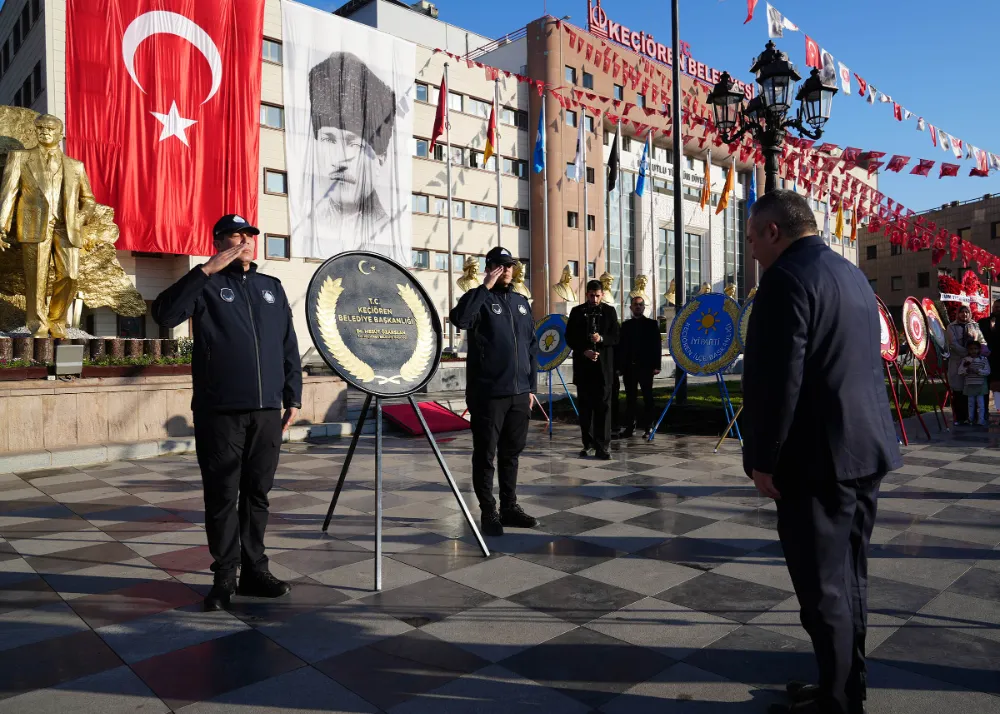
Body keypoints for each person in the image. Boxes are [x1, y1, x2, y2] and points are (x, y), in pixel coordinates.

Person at [742, 190, 901, 714]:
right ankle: (844, 684)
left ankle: (838, 702)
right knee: (850, 579)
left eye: (751, 238)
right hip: (864, 449)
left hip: (817, 460)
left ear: (773, 231)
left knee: (823, 589)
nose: (750, 251)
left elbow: (776, 381)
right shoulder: (850, 273)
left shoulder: (784, 280)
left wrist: (762, 458)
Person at [152, 214, 303, 612]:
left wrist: (294, 396)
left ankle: (256, 570)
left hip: (268, 409)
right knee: (221, 495)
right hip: (220, 410)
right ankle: (224, 577)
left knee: (258, 494)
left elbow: (288, 345)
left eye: (250, 233)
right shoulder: (207, 284)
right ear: (218, 241)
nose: (245, 240)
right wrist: (204, 271)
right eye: (236, 234)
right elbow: (165, 316)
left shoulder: (272, 287)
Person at [449, 245, 539, 537]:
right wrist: (484, 287)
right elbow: (460, 319)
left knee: (511, 454)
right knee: (485, 455)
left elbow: (531, 347)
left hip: (518, 394)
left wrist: (531, 387)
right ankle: (489, 512)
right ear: (490, 267)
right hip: (488, 394)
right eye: (501, 265)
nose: (507, 270)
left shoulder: (521, 302)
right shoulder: (480, 301)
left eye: (510, 265)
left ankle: (510, 507)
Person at [0, 114, 96, 338]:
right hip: (34, 225)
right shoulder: (20, 158)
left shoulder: (75, 166)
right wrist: (1, 227)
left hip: (67, 228)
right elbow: (8, 195)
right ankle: (37, 325)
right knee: (36, 278)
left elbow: (89, 199)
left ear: (60, 133)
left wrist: (81, 217)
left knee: (71, 275)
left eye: (50, 128)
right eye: (40, 127)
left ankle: (58, 320)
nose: (45, 131)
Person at [304, 51, 404, 263]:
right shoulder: (308, 222)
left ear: (380, 159)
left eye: (355, 144)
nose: (340, 159)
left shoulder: (388, 228)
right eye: (329, 139)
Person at [567, 279, 620, 459]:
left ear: (602, 295)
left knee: (604, 407)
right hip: (584, 368)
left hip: (604, 369)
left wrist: (602, 339)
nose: (595, 299)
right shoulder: (576, 312)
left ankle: (603, 446)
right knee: (586, 408)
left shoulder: (610, 311)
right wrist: (585, 351)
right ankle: (588, 444)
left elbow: (616, 337)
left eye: (598, 296)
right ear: (587, 294)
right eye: (591, 295)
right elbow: (570, 337)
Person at [618, 295, 662, 438]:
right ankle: (630, 427)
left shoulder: (651, 324)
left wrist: (657, 365)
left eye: (640, 304)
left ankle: (649, 427)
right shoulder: (625, 326)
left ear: (644, 307)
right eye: (635, 304)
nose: (638, 306)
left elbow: (657, 346)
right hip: (629, 369)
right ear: (631, 308)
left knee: (648, 397)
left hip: (646, 368)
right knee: (630, 399)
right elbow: (621, 348)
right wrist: (620, 366)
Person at [947, 305, 983, 426]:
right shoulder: (951, 327)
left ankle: (972, 416)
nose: (964, 315)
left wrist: (977, 352)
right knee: (958, 391)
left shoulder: (975, 325)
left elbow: (981, 340)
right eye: (962, 312)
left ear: (970, 313)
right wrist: (967, 353)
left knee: (972, 389)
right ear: (958, 314)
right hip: (958, 361)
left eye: (966, 312)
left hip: (973, 361)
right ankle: (960, 417)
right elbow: (953, 344)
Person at [976, 299, 1000, 417]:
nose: (997, 309)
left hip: (999, 360)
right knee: (984, 386)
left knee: (998, 389)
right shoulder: (983, 322)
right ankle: (983, 412)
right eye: (995, 306)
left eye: (999, 307)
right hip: (986, 359)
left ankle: (999, 410)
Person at [959, 340, 991, 427]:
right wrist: (966, 371)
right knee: (971, 404)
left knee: (981, 404)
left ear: (979, 349)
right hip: (970, 385)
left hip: (980, 385)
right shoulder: (965, 360)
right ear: (968, 350)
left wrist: (978, 371)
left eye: (975, 348)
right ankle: (970, 419)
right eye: (971, 349)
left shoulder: (983, 359)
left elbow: (987, 371)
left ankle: (981, 420)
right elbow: (960, 371)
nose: (973, 351)